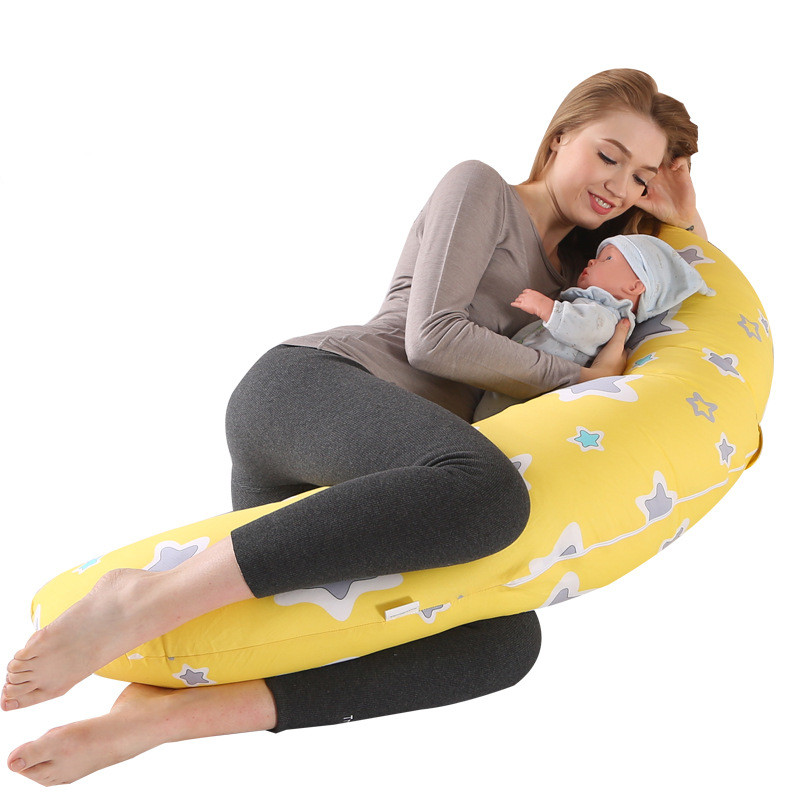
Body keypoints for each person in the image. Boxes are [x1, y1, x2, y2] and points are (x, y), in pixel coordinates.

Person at [3, 68, 706, 786]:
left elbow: (689, 299)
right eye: (609, 155)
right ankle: (139, 601)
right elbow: (433, 339)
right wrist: (575, 382)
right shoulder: (482, 189)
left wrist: (683, 217)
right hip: (312, 392)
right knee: (491, 493)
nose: (619, 185)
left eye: (641, 177)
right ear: (559, 138)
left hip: (387, 488)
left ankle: (160, 718)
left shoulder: (587, 279)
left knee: (505, 639)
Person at [473, 234, 713, 421]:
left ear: (635, 286)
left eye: (608, 259)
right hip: (518, 386)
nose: (591, 261)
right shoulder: (588, 305)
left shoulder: (608, 314)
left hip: (532, 395)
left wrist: (547, 309)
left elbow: (587, 328)